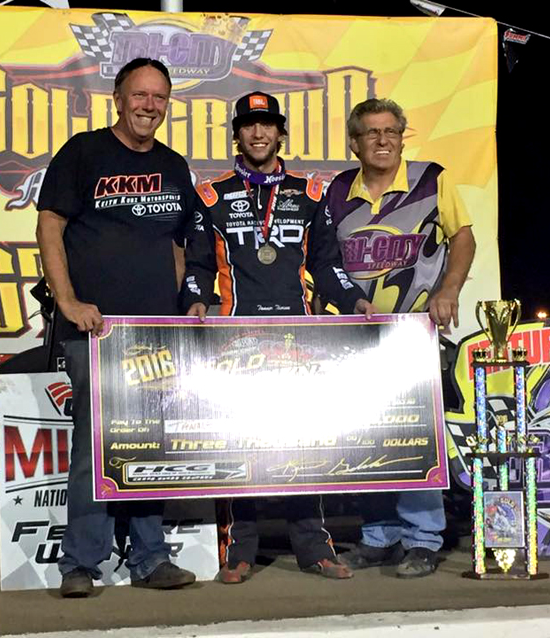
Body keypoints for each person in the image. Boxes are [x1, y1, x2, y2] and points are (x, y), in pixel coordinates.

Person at [35, 58, 215, 597]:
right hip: (97, 329)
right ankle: (80, 564)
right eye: (140, 94)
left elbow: (180, 244)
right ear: (118, 98)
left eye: (159, 97)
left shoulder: (173, 165)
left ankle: (150, 558)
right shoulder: (83, 152)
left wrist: (186, 303)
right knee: (95, 444)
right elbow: (49, 225)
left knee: (149, 443)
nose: (149, 106)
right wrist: (67, 300)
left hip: (155, 331)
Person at [196, 91, 374, 584]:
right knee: (239, 444)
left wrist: (354, 300)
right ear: (238, 134)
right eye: (249, 125)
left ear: (280, 133)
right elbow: (198, 266)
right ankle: (239, 551)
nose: (259, 133)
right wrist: (194, 300)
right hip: (235, 338)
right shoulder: (210, 195)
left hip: (298, 338)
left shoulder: (310, 193)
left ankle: (313, 548)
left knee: (302, 441)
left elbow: (327, 264)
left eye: (267, 124)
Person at [324, 97, 476, 578]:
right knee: (365, 437)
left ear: (402, 137)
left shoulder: (432, 179)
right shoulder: (336, 191)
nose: (383, 140)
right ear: (355, 143)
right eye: (372, 132)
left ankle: (423, 539)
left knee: (415, 436)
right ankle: (379, 535)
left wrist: (449, 290)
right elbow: (325, 260)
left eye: (391, 131)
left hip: (413, 334)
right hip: (355, 335)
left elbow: (463, 237)